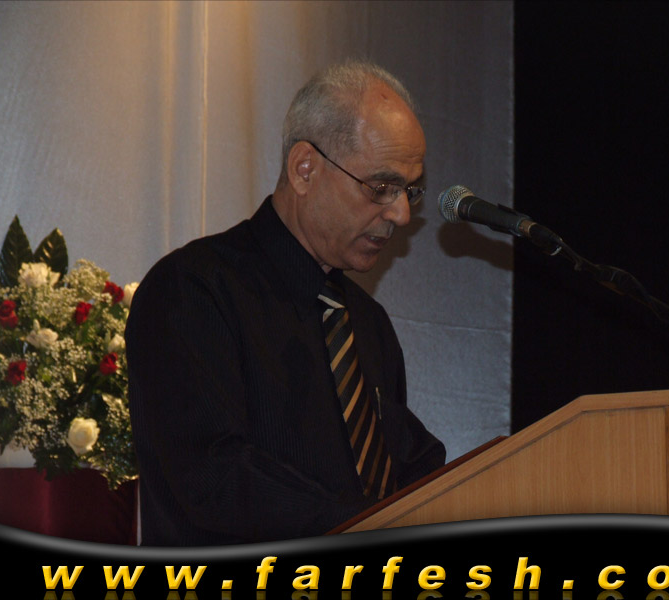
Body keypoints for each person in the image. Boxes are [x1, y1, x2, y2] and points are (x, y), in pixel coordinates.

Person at [125, 60, 446, 546]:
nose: (400, 214)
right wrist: (367, 526)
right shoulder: (193, 289)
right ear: (304, 169)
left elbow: (409, 464)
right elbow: (214, 476)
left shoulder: (367, 322)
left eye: (410, 191)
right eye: (382, 187)